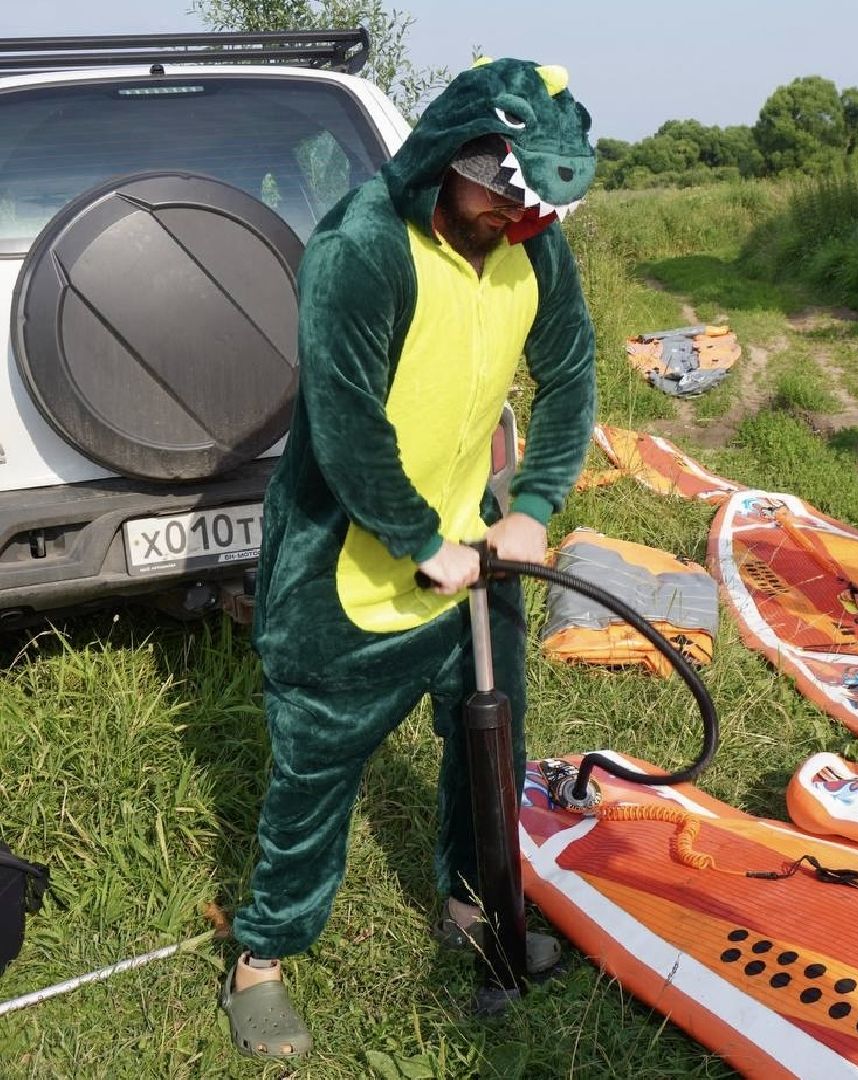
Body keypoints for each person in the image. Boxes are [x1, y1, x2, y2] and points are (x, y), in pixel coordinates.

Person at [219, 57, 596, 1059]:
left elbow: (568, 376)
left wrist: (534, 505)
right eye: (503, 198)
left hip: (474, 547)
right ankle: (261, 954)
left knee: (490, 745)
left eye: (538, 210)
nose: (517, 223)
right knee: (315, 770)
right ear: (448, 160)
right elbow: (341, 425)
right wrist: (420, 541)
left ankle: (473, 907)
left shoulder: (528, 249)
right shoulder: (364, 247)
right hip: (346, 562)